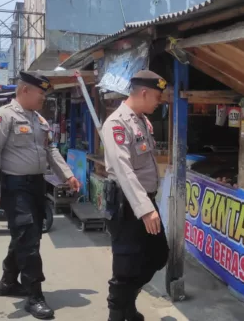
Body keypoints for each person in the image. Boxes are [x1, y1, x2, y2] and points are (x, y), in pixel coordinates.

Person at [0, 71, 81, 320]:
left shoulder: (39, 120)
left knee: (27, 235)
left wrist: (67, 175)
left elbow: (51, 150)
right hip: (15, 187)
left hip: (37, 185)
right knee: (29, 240)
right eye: (41, 93)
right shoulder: (3, 117)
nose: (43, 98)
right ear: (25, 90)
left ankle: (7, 282)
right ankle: (34, 295)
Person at [101, 70, 170, 321]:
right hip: (126, 203)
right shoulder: (116, 124)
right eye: (157, 97)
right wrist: (145, 208)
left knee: (157, 254)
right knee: (126, 263)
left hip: (145, 201)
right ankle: (118, 313)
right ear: (143, 93)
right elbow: (124, 170)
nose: (158, 102)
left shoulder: (141, 121)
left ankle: (126, 304)